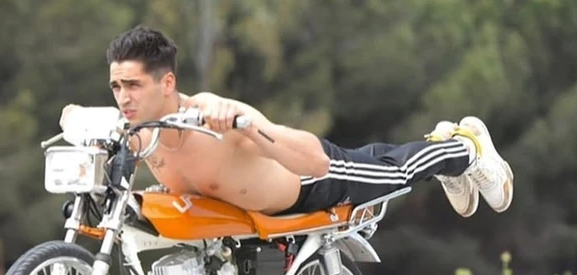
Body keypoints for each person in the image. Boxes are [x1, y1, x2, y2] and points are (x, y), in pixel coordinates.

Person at [60, 25, 513, 218]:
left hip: (312, 183)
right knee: (377, 158)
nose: (123, 98)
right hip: (251, 223)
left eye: (133, 85)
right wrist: (79, 118)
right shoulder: (137, 136)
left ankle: (463, 149)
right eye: (116, 87)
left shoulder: (209, 113)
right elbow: (69, 117)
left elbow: (316, 162)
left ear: (167, 83)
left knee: (391, 171)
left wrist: (241, 121)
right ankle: (443, 148)